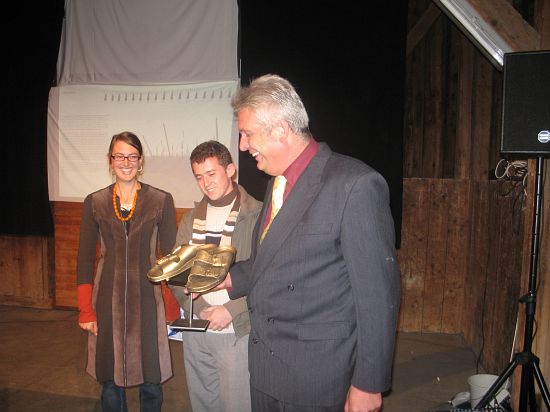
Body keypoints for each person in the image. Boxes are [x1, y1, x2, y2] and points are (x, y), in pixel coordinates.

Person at [212, 74, 401, 412]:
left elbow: (377, 296)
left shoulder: (355, 185)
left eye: (247, 133)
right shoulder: (277, 183)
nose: (242, 145)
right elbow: (269, 262)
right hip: (266, 368)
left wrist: (368, 383)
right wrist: (226, 278)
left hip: (317, 378)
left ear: (281, 130)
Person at [76, 131, 177, 412]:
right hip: (106, 299)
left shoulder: (160, 200)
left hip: (149, 298)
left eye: (132, 156)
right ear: (110, 160)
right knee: (110, 380)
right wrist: (86, 309)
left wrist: (172, 302)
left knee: (152, 378)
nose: (126, 162)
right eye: (119, 156)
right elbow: (85, 258)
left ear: (141, 161)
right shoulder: (95, 202)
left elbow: (171, 258)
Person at [168, 140, 262, 412]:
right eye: (199, 177)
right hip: (196, 328)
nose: (205, 183)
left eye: (211, 174)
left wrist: (231, 310)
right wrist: (199, 309)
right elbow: (177, 274)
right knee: (202, 405)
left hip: (237, 329)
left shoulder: (257, 214)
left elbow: (267, 274)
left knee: (237, 406)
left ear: (230, 170)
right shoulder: (190, 219)